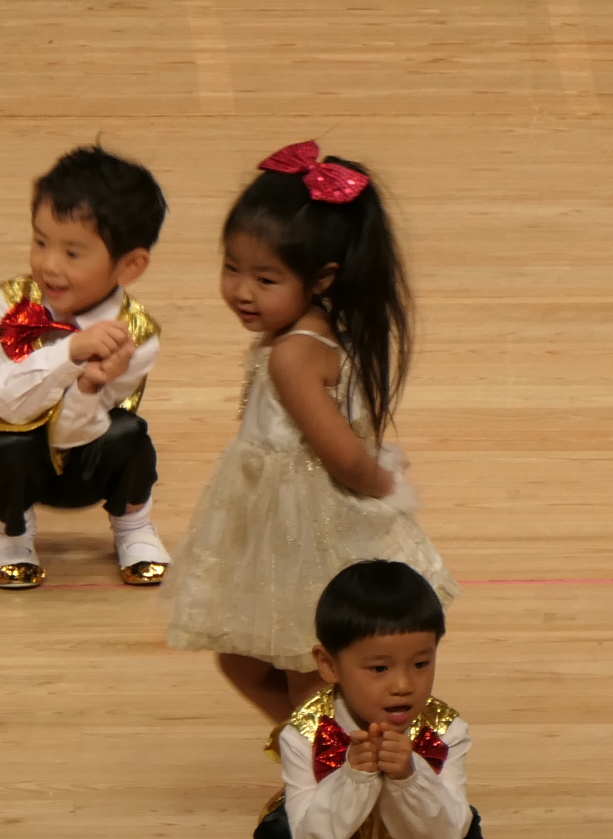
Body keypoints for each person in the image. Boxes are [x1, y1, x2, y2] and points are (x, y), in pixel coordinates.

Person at [166, 141, 457, 719]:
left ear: (322, 279)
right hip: (279, 526)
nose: (242, 290)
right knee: (250, 660)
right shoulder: (318, 329)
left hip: (301, 534)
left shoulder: (293, 354)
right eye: (231, 267)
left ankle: (330, 761)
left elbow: (342, 456)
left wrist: (385, 484)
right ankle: (324, 752)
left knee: (303, 665)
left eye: (265, 278)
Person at [213, 559, 502, 839]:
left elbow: (444, 838)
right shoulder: (304, 734)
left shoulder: (447, 730)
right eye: (380, 668)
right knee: (276, 833)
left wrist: (409, 777)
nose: (403, 685)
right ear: (328, 664)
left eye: (421, 663)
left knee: (466, 825)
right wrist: (354, 776)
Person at [0, 145, 170, 589]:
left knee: (130, 437)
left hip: (85, 449)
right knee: (0, 444)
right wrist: (69, 353)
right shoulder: (14, 304)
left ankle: (134, 527)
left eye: (73, 253)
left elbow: (74, 434)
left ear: (130, 265)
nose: (48, 265)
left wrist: (90, 388)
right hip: (18, 443)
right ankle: (12, 534)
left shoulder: (137, 336)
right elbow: (8, 406)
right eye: (40, 242)